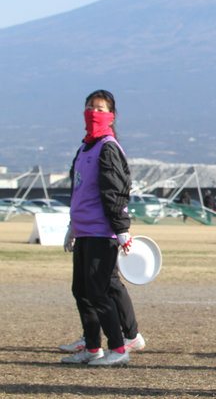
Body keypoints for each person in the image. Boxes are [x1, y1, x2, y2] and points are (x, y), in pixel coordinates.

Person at [60, 90, 140, 366]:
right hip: (84, 231)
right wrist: (72, 226)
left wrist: (121, 229)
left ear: (111, 116)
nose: (94, 113)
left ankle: (118, 348)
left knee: (99, 292)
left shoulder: (108, 147)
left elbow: (115, 191)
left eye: (100, 109)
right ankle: (92, 347)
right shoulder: (84, 148)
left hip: (101, 232)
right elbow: (79, 191)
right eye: (90, 107)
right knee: (81, 291)